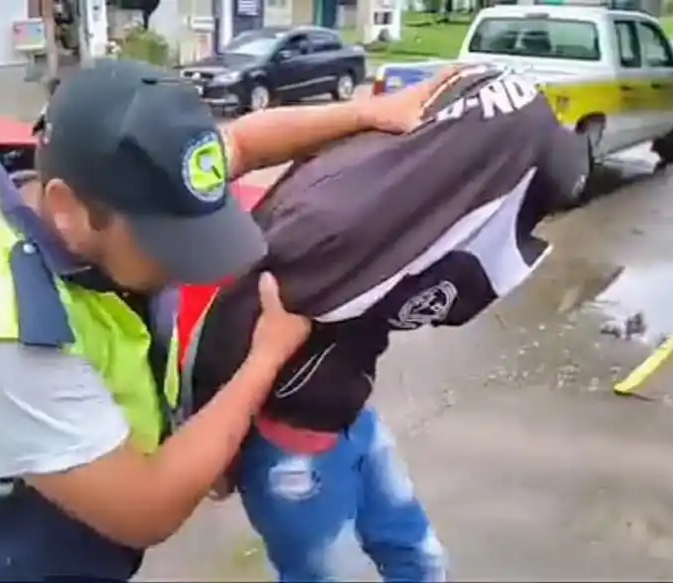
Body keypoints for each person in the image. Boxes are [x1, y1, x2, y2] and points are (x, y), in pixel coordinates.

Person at [0, 58, 460, 581]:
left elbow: (244, 144)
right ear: (69, 209)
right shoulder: (2, 339)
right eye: (165, 242)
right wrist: (266, 357)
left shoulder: (125, 190)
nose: (186, 265)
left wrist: (371, 112)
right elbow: (145, 510)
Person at [182, 65, 591, 582]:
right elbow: (228, 327)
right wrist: (213, 449)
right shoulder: (333, 226)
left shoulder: (410, 198)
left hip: (350, 412)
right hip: (291, 447)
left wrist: (367, 112)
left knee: (421, 561)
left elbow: (240, 144)